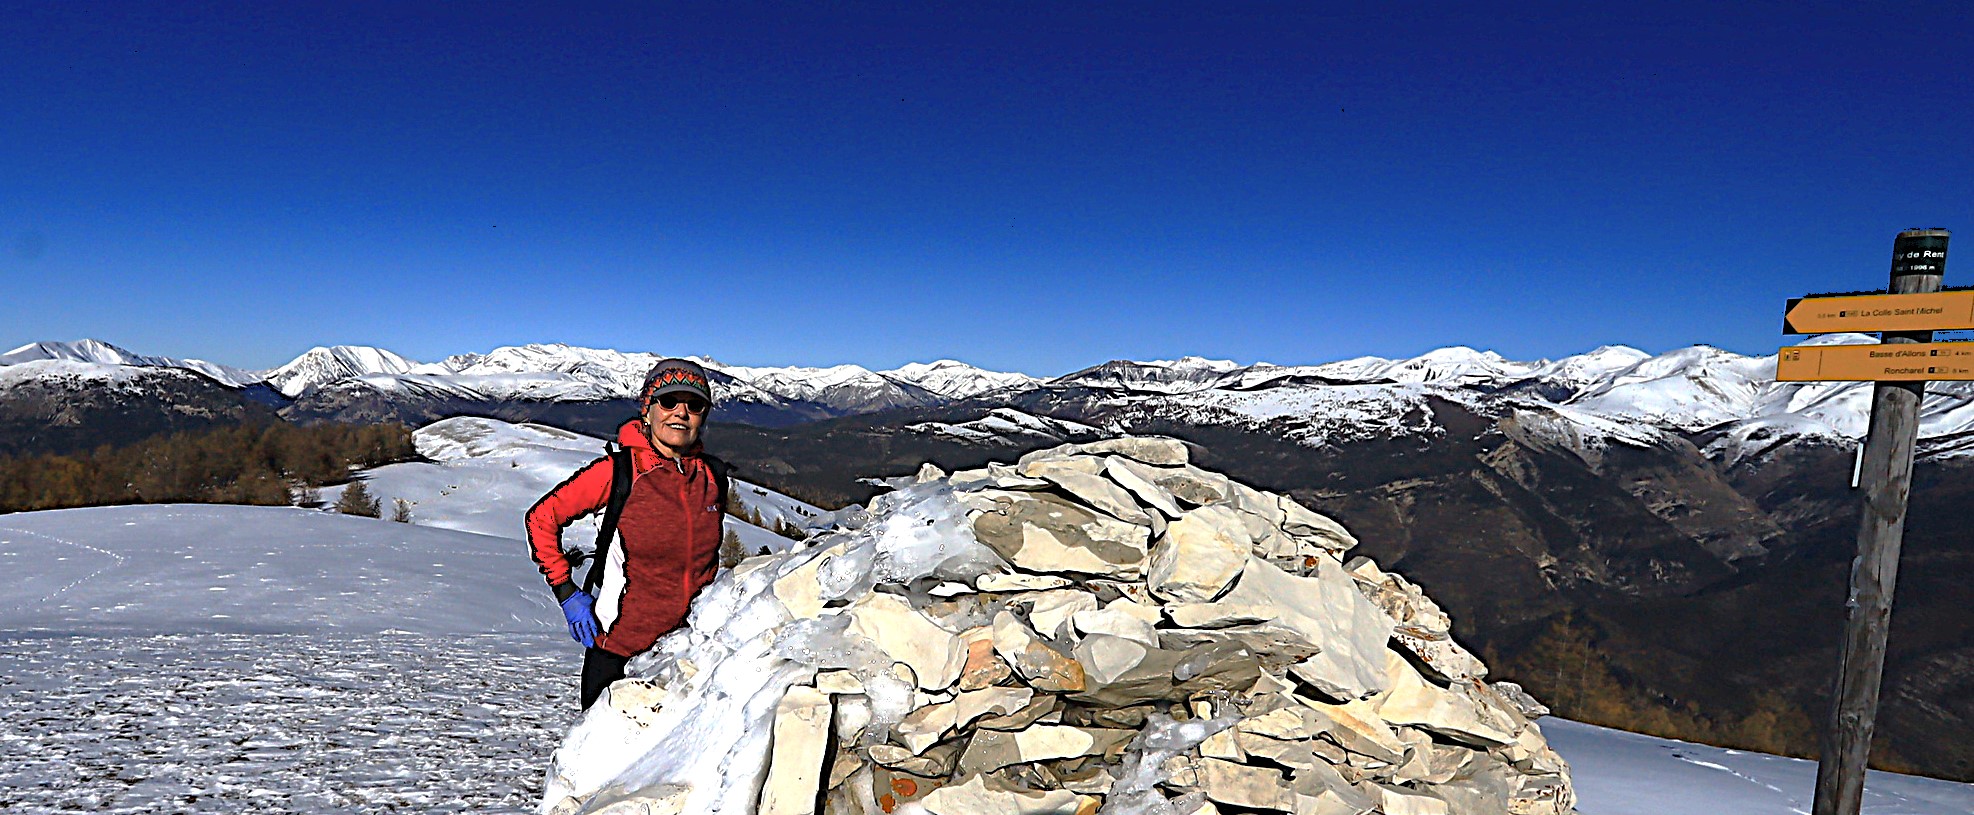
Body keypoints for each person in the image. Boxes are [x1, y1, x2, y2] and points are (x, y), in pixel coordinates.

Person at [525, 358, 727, 710]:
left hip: (688, 655)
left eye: (694, 405)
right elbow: (541, 519)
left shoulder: (712, 478)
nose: (681, 413)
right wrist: (566, 591)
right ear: (647, 411)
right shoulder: (619, 472)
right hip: (618, 653)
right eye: (668, 402)